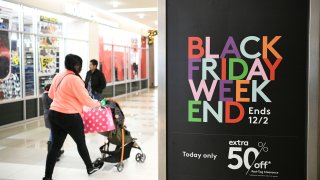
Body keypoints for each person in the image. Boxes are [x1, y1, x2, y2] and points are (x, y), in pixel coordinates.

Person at [43, 54, 104, 180]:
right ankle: (90, 167)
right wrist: (99, 103)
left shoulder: (59, 76)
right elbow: (86, 100)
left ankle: (47, 177)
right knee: (81, 143)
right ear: (76, 65)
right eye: (79, 65)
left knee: (55, 147)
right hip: (70, 117)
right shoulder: (75, 79)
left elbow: (51, 94)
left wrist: (63, 100)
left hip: (54, 114)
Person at [42, 84, 64, 161]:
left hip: (47, 116)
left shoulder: (44, 95)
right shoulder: (48, 96)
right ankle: (52, 154)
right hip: (51, 116)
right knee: (53, 135)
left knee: (54, 134)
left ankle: (57, 151)